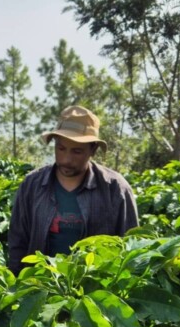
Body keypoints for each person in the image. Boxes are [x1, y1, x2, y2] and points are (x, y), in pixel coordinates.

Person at [8, 105, 139, 273]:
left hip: (94, 293)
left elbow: (130, 248)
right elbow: (18, 242)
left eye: (77, 152)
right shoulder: (32, 185)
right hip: (40, 289)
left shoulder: (115, 189)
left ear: (93, 149)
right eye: (61, 149)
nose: (66, 159)